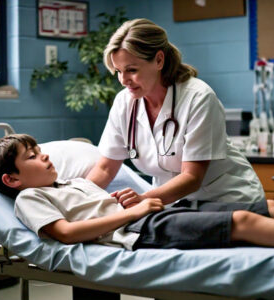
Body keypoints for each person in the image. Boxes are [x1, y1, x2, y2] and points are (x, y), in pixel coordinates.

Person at [0, 134, 274, 250]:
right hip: (137, 228)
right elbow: (66, 232)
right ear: (11, 180)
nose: (45, 156)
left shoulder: (72, 183)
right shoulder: (30, 197)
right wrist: (133, 211)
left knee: (266, 205)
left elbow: (98, 206)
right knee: (241, 221)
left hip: (151, 213)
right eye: (32, 156)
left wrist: (126, 201)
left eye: (40, 150)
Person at [86, 18, 264, 210]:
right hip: (173, 204)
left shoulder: (198, 97)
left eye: (131, 70)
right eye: (118, 71)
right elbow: (105, 169)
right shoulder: (124, 103)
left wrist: (143, 199)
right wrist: (76, 199)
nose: (123, 80)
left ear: (159, 60)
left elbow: (191, 177)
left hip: (227, 199)